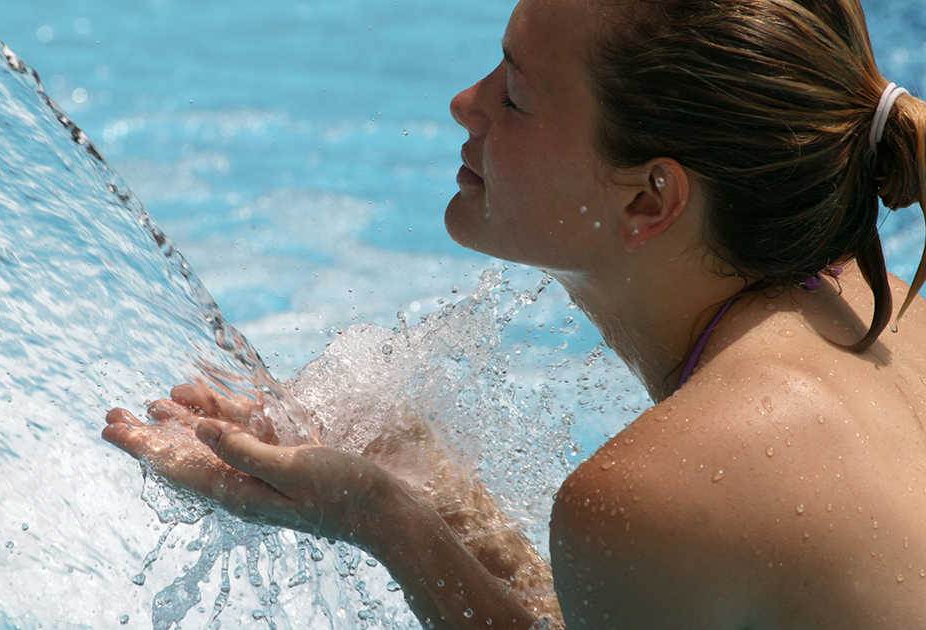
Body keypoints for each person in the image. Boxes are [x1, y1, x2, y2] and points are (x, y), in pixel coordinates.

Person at [103, 0, 926, 626]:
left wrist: (375, 518)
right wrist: (421, 493)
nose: (466, 102)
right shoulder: (877, 315)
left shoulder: (653, 491)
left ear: (650, 197)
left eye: (517, 95)